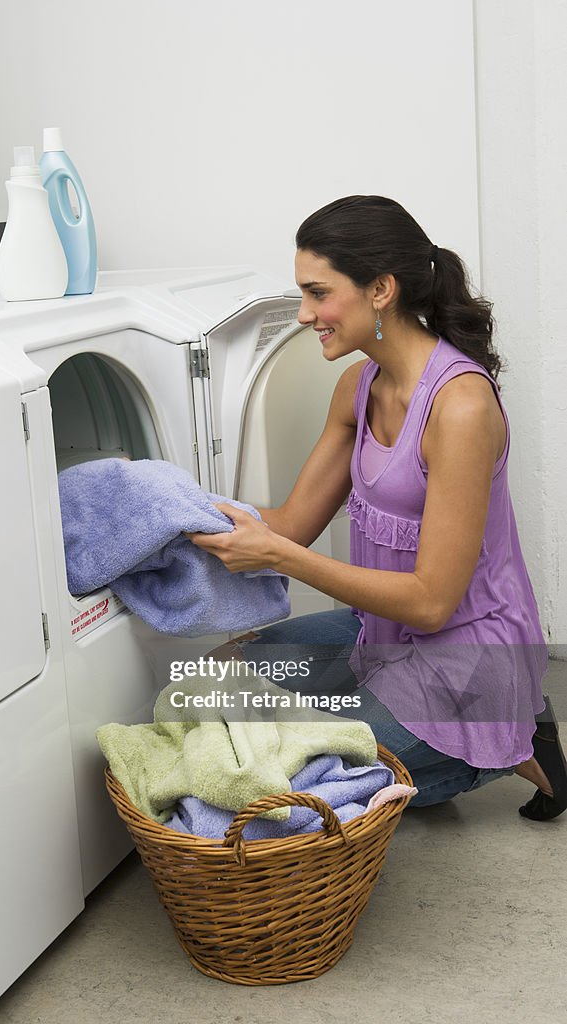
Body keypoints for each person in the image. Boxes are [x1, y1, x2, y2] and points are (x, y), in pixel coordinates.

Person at [188, 195, 566, 820]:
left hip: (470, 652)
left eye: (318, 293)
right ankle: (453, 740)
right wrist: (175, 519)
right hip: (382, 635)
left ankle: (505, 739)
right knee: (222, 676)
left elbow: (431, 601)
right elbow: (290, 525)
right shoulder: (356, 388)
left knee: (290, 781)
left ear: (381, 290)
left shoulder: (461, 406)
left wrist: (279, 555)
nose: (306, 314)